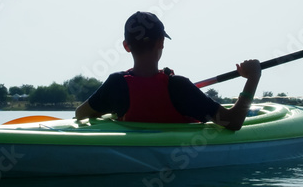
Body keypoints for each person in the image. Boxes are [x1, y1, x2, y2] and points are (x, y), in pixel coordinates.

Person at [75, 11, 261, 131]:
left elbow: (80, 114)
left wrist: (114, 112)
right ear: (161, 42)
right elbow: (233, 122)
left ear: (126, 46)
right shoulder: (179, 86)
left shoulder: (116, 84)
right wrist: (252, 78)